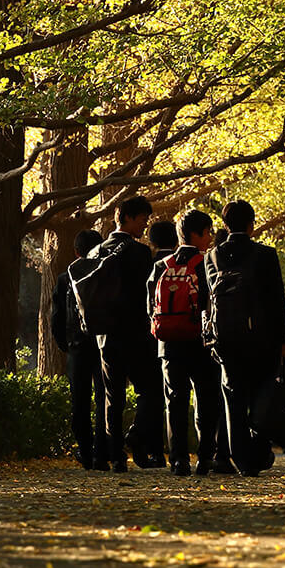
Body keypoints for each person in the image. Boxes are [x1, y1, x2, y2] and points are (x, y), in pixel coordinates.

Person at [206, 199, 285, 476]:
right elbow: (278, 300)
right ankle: (260, 447)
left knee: (233, 399)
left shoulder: (213, 256)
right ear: (252, 224)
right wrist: (283, 338)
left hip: (226, 339)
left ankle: (242, 460)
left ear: (225, 225)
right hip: (263, 337)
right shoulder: (265, 254)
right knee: (265, 392)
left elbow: (211, 300)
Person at [147, 209, 223, 476]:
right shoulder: (208, 262)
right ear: (196, 234)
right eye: (208, 232)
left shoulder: (162, 265)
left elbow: (150, 306)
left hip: (168, 344)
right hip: (200, 343)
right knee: (205, 398)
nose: (210, 238)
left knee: (175, 400)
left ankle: (179, 460)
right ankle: (205, 457)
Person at [94, 195, 160, 472]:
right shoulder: (140, 253)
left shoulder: (96, 251)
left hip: (105, 335)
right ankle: (135, 435)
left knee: (113, 396)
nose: (145, 225)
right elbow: (147, 294)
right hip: (135, 333)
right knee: (152, 390)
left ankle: (115, 455)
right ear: (130, 218)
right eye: (143, 219)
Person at [52, 229, 109, 469]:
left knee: (80, 401)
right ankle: (102, 453)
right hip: (103, 344)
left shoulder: (65, 278)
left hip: (77, 346)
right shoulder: (106, 274)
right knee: (104, 399)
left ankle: (85, 451)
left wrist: (65, 344)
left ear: (76, 251)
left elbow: (57, 317)